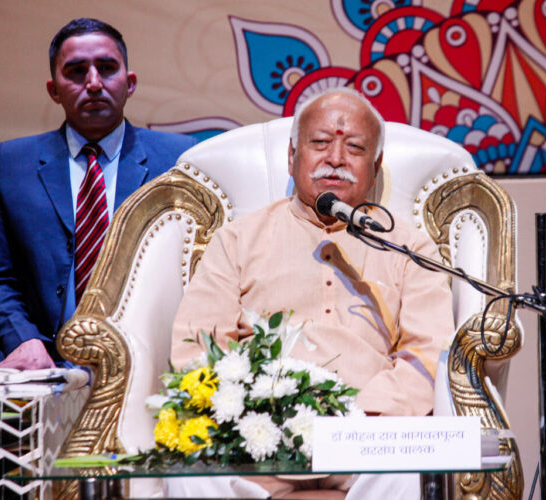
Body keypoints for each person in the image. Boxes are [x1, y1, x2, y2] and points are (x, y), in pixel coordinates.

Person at [168, 88, 455, 499]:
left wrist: (355, 417)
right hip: (262, 436)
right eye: (320, 143)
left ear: (374, 169)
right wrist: (255, 415)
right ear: (292, 156)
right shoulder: (237, 240)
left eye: (354, 147)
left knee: (414, 477)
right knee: (188, 471)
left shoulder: (408, 247)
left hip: (369, 438)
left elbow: (428, 352)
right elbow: (197, 344)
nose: (335, 158)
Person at [0, 18, 197, 369]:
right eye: (76, 72)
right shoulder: (12, 164)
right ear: (54, 90)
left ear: (130, 83)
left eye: (107, 68)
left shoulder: (179, 160)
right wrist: (24, 340)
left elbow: (204, 269)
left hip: (153, 360)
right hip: (45, 361)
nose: (93, 83)